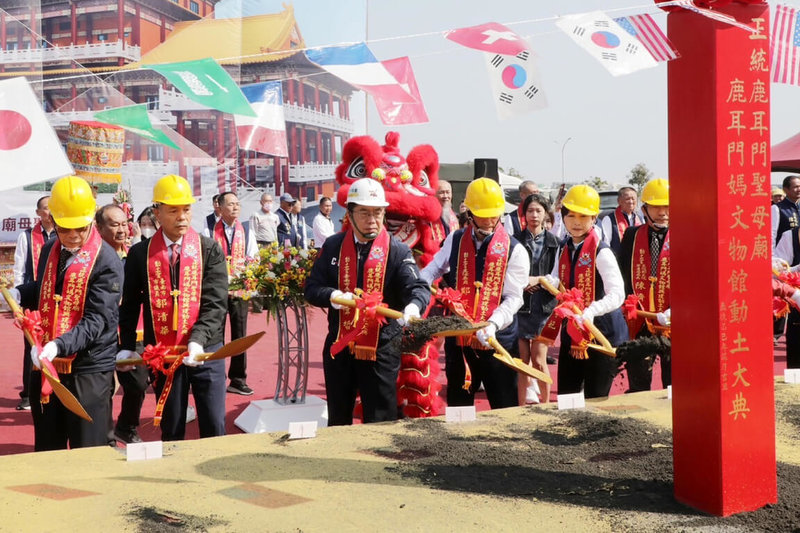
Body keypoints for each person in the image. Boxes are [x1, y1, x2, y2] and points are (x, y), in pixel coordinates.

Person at [305, 178, 430, 425]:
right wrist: (333, 296)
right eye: (364, 212)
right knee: (338, 418)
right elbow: (311, 288)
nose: (372, 220)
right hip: (340, 345)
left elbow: (417, 287)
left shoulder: (397, 250)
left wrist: (414, 307)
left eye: (377, 212)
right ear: (349, 215)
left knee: (380, 419)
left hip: (381, 349)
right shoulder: (333, 247)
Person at [14, 176, 123, 450]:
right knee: (48, 445)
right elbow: (48, 287)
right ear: (54, 221)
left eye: (81, 228)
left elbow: (96, 320)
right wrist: (21, 293)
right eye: (65, 229)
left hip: (87, 367)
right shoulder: (52, 248)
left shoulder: (106, 261)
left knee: (88, 446)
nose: (73, 236)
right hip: (48, 363)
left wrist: (57, 345)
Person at [118, 174, 228, 441]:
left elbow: (215, 302)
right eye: (173, 210)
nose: (182, 217)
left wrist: (198, 340)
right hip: (164, 352)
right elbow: (130, 304)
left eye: (186, 210)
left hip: (206, 350)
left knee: (214, 423)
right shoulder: (140, 254)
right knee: (173, 424)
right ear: (157, 212)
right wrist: (126, 345)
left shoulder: (208, 249)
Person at [420, 178, 529, 409]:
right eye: (483, 214)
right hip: (460, 338)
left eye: (494, 214)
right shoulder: (455, 239)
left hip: (496, 338)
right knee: (460, 406)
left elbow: (514, 297)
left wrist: (493, 324)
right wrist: (420, 283)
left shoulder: (515, 249)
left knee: (503, 405)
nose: (490, 221)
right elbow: (434, 268)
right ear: (469, 212)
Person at [536, 184, 628, 398]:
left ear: (594, 218)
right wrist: (545, 280)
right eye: (571, 216)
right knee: (568, 396)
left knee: (596, 399)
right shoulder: (564, 246)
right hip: (573, 331)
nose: (577, 222)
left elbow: (617, 294)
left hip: (600, 333)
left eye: (584, 216)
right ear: (563, 216)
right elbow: (558, 276)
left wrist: (591, 311)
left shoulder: (601, 251)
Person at [95, 204, 149, 444]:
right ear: (99, 228)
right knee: (104, 388)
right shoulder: (93, 257)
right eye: (114, 224)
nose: (121, 229)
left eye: (124, 223)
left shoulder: (134, 255)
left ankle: (126, 425)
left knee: (138, 383)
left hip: (131, 332)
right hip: (101, 333)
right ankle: (105, 437)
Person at [618, 179, 671, 392]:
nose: (663, 212)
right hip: (640, 317)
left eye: (667, 206)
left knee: (674, 378)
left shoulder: (686, 233)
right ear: (644, 209)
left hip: (671, 318)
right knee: (638, 376)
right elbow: (623, 270)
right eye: (656, 206)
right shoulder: (632, 235)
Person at [203, 191, 258, 395]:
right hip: (215, 291)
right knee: (214, 334)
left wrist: (245, 279)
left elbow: (253, 256)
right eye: (231, 204)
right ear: (219, 207)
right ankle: (213, 376)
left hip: (239, 290)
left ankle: (237, 378)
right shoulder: (208, 228)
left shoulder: (246, 229)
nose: (235, 207)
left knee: (239, 334)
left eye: (237, 204)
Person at [514, 193, 558, 405]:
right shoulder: (515, 241)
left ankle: (547, 404)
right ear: (524, 214)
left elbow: (557, 275)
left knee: (539, 361)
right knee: (521, 362)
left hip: (545, 307)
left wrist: (540, 281)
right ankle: (520, 407)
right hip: (520, 307)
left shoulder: (555, 243)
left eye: (538, 211)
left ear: (545, 214)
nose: (534, 215)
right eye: (530, 211)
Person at [12, 196, 55, 411]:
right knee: (31, 344)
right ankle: (28, 394)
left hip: (55, 299)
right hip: (33, 298)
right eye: (46, 209)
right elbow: (19, 270)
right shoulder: (27, 237)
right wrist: (17, 302)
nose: (50, 212)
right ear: (38, 212)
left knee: (54, 342)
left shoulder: (62, 235)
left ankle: (53, 388)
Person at [599, 187, 643, 256]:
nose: (631, 202)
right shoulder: (609, 219)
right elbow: (605, 244)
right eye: (627, 199)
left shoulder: (640, 219)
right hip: (617, 261)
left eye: (633, 199)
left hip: (636, 260)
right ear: (619, 201)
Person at [771, 175, 800, 249]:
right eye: (795, 187)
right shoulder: (776, 208)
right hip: (784, 253)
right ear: (785, 190)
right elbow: (772, 234)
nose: (799, 189)